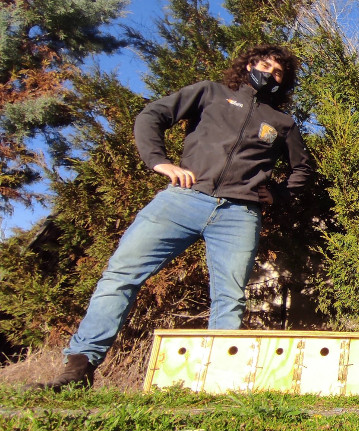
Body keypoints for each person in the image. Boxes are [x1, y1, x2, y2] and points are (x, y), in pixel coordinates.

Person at [27, 44, 312, 391]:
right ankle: (79, 368)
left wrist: (277, 194)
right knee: (121, 275)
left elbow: (302, 169)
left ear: (284, 81)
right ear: (249, 64)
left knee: (230, 297)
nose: (269, 74)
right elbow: (152, 115)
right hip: (182, 201)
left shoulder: (282, 122)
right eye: (264, 65)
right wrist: (159, 161)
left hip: (239, 215)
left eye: (278, 72)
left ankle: (214, 381)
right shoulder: (210, 92)